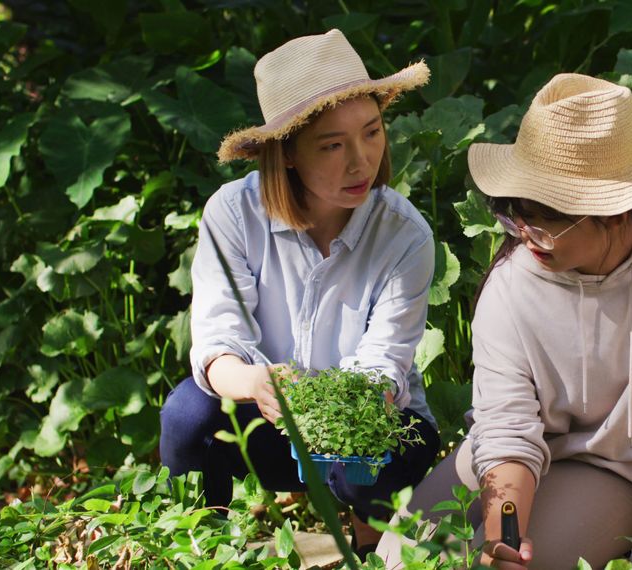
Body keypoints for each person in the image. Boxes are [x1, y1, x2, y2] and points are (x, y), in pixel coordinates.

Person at [376, 73, 632, 569]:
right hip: (509, 455)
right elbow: (507, 431)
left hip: (622, 468)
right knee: (399, 560)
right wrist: (503, 537)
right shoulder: (511, 286)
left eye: (544, 222)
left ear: (614, 212)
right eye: (515, 216)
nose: (525, 236)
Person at [159, 29, 440, 558]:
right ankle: (202, 544)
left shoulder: (405, 235)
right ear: (284, 154)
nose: (361, 161)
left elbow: (383, 364)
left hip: (378, 421)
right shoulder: (233, 214)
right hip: (264, 416)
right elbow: (218, 341)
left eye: (372, 132)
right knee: (187, 416)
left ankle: (368, 550)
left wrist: (329, 415)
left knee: (363, 464)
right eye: (333, 145)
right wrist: (259, 384)